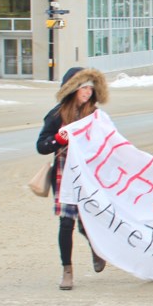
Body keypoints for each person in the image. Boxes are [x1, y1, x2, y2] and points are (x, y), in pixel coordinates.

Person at [36, 67, 110, 291]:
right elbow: (41, 145)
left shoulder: (95, 115)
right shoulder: (57, 115)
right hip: (64, 172)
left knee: (88, 220)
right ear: (73, 90)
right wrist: (58, 139)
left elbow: (107, 142)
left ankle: (95, 248)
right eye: (83, 88)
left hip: (88, 174)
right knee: (66, 222)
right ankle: (67, 270)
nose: (87, 92)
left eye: (90, 88)